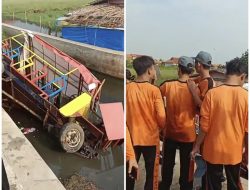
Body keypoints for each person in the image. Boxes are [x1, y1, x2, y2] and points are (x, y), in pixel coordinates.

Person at [191, 57, 248, 190]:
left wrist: (197, 146)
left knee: (212, 184)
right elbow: (247, 130)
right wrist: (247, 153)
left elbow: (204, 127)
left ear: (227, 73)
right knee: (233, 184)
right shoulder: (246, 97)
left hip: (213, 150)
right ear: (243, 76)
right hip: (234, 151)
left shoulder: (212, 94)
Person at [126, 55, 166, 190]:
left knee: (130, 172)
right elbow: (161, 117)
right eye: (154, 68)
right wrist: (161, 129)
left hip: (132, 140)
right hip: (150, 140)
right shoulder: (154, 91)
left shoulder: (127, 89)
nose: (155, 71)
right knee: (151, 175)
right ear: (149, 71)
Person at [160, 56, 197, 190]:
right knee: (187, 168)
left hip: (170, 133)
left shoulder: (167, 85)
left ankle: (165, 186)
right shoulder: (195, 89)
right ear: (191, 70)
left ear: (179, 69)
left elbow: (156, 99)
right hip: (188, 135)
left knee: (167, 166)